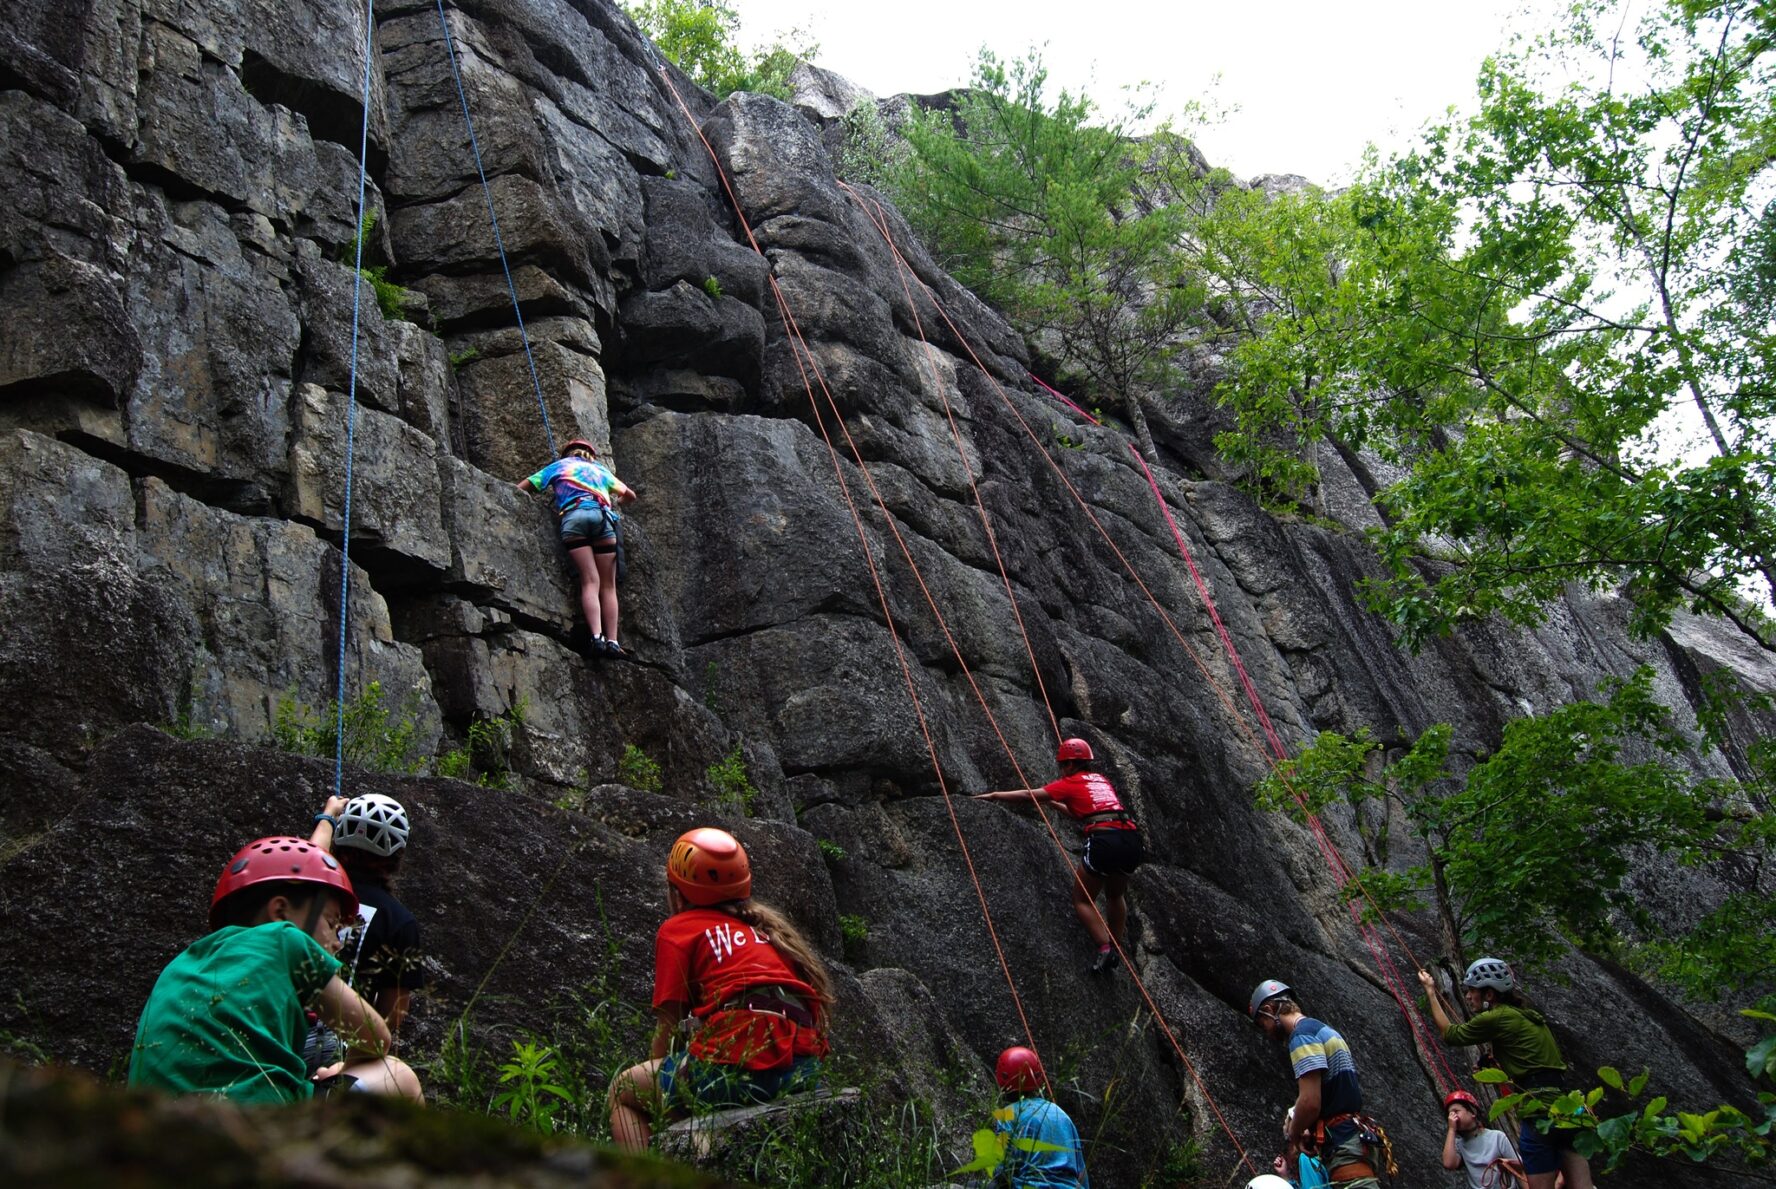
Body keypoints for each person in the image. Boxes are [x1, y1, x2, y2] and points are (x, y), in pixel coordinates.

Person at [128, 836, 421, 1102]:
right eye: (332, 924)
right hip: (255, 1120)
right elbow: (376, 1038)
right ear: (280, 911)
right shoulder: (287, 939)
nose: (336, 942)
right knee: (398, 1075)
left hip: (157, 1129)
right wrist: (341, 1068)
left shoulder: (181, 965)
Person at [608, 828, 831, 1152]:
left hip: (735, 1068)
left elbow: (667, 1030)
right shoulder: (769, 934)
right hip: (802, 1072)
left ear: (677, 894)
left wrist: (663, 1080)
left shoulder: (679, 930)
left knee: (623, 1089)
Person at [973, 737, 1144, 974]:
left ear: (1072, 765)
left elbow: (1027, 795)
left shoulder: (1070, 782)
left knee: (1082, 899)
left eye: (1063, 765)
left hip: (1105, 841)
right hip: (1130, 839)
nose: (1062, 770)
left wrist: (995, 796)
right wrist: (1051, 802)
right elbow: (1081, 813)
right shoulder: (1100, 780)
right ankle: (1115, 944)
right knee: (1116, 895)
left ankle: (1105, 949)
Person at [1418, 961, 1594, 1189]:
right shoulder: (1528, 1017)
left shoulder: (1497, 1017)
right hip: (1568, 1108)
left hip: (1538, 1111)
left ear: (1489, 993)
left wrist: (1431, 992)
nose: (1469, 996)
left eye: (1472, 990)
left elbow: (1450, 1035)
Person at [1249, 979, 1387, 1189]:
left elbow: (1311, 1101)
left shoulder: (1301, 1037)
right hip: (1354, 1137)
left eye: (1263, 1023)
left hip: (1343, 1142)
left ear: (1270, 1010)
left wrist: (1294, 1136)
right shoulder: (1323, 1030)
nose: (1266, 1031)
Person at [515, 437, 637, 658]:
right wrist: (616, 502)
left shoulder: (559, 466)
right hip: (602, 519)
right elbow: (630, 496)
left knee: (590, 580)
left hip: (574, 518)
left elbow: (522, 488)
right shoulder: (600, 470)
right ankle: (612, 641)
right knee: (608, 586)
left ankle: (596, 637)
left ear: (567, 454)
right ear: (590, 454)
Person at [985, 1045, 1089, 1187]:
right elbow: (1081, 1172)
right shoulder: (1061, 1114)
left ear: (1002, 1079)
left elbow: (1003, 1172)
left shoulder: (1007, 1115)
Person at [1440, 1089, 1523, 1188]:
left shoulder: (1497, 1137)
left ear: (1472, 1112)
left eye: (1456, 1111)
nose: (1452, 1117)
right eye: (1450, 1114)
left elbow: (1520, 1168)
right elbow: (1449, 1163)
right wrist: (1452, 1129)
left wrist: (1505, 1163)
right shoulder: (1459, 1145)